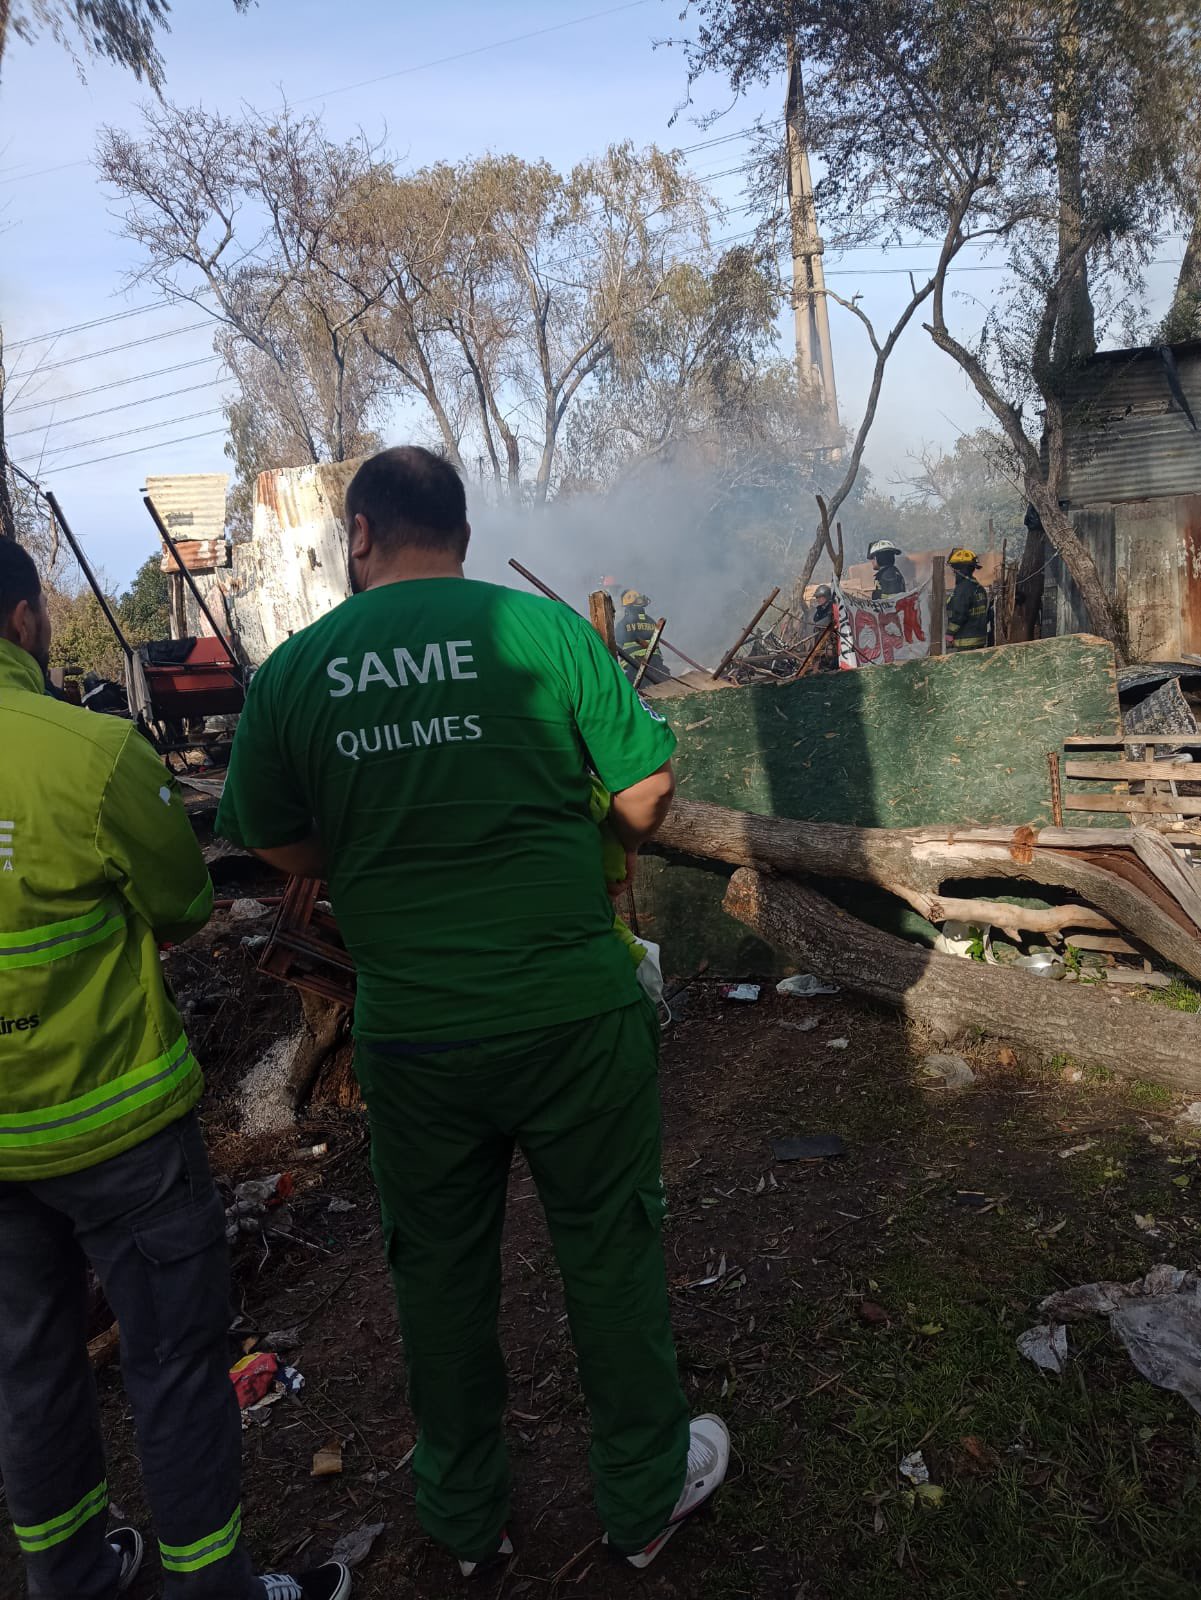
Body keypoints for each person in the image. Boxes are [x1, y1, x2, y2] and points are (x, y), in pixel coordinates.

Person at [215, 446, 729, 1579]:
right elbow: (645, 787)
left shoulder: (301, 669)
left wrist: (375, 848)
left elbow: (269, 834)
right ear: (458, 527)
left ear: (359, 535)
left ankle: (462, 1515)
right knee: (608, 1250)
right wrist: (591, 835)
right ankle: (644, 1495)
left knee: (438, 1275)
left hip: (417, 1034)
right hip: (571, 1017)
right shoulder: (543, 634)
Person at [0, 539, 349, 1600]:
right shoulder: (89, 752)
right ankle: (214, 1591)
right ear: (24, 620)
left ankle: (70, 1578)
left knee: (28, 1370)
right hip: (118, 1130)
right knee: (174, 1363)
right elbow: (187, 907)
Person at [617, 587, 668, 684]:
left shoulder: (622, 624)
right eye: (637, 597)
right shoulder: (651, 621)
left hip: (636, 665)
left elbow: (617, 641)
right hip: (648, 664)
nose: (640, 599)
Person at [945, 547, 990, 651]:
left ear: (959, 569)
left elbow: (959, 614)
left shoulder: (962, 590)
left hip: (965, 641)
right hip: (980, 639)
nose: (954, 573)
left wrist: (950, 633)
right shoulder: (978, 587)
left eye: (954, 569)